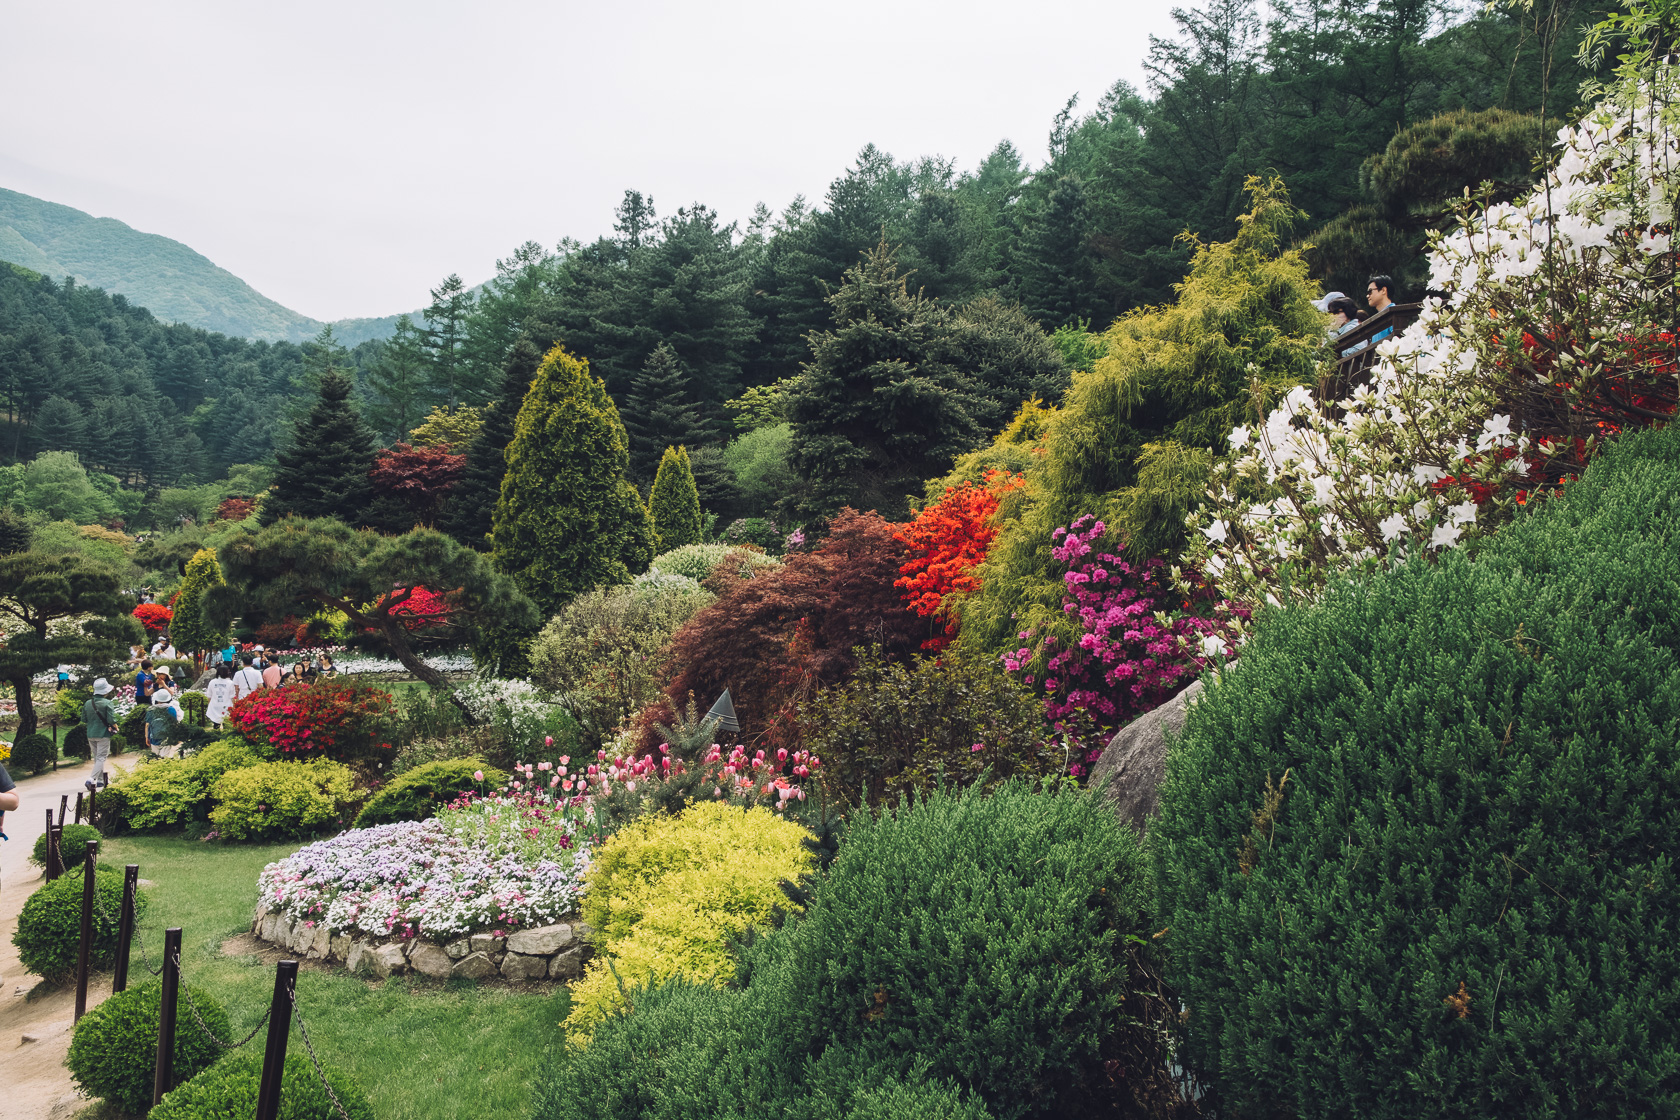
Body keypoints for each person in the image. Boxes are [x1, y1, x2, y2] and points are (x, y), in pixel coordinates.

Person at [83, 678, 119, 793]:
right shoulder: (107, 703)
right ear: (105, 691)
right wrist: (116, 727)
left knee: (97, 757)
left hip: (90, 733)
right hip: (103, 733)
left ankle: (99, 780)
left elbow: (84, 719)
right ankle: (91, 779)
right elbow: (111, 719)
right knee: (101, 757)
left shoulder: (88, 703)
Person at [145, 688, 181, 757]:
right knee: (164, 758)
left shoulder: (151, 710)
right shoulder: (171, 709)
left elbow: (147, 725)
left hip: (154, 737)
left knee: (155, 758)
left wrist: (147, 737)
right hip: (166, 738)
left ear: (156, 699)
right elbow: (174, 724)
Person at [205, 663, 238, 729]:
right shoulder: (230, 683)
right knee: (227, 725)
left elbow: (209, 696)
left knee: (215, 725)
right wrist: (234, 706)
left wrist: (209, 705)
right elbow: (232, 697)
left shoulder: (212, 682)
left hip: (215, 706)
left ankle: (215, 737)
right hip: (226, 706)